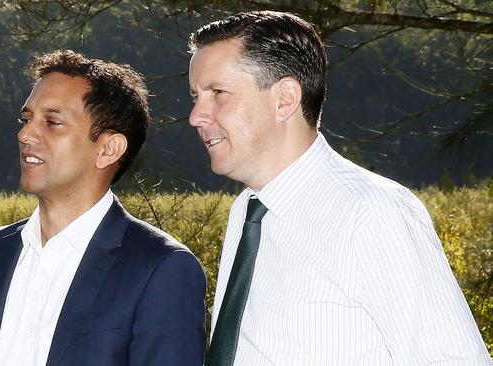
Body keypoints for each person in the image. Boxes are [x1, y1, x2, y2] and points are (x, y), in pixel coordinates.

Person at [187, 11, 491, 365]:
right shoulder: (247, 212)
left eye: (218, 93)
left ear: (284, 99)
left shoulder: (373, 213)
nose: (196, 115)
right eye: (196, 96)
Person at [0, 50, 206, 366]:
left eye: (53, 122)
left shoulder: (161, 269)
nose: (25, 134)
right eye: (26, 119)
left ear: (108, 149)